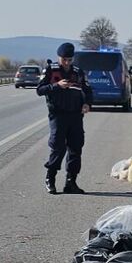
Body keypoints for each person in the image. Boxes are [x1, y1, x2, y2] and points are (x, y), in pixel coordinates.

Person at [35, 42, 92, 194]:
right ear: (58, 57)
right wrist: (57, 86)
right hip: (58, 115)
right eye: (64, 59)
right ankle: (50, 178)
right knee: (58, 147)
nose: (67, 62)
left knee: (76, 148)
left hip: (75, 115)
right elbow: (39, 90)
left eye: (69, 59)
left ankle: (71, 182)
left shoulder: (78, 72)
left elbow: (88, 90)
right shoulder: (50, 70)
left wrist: (87, 103)